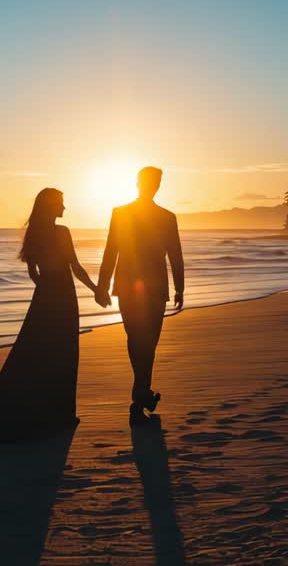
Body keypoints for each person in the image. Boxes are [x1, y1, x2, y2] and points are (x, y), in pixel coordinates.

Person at [0, 188, 100, 442]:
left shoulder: (34, 233)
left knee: (34, 352)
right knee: (65, 351)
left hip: (45, 294)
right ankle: (62, 414)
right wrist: (96, 290)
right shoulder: (62, 232)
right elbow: (75, 267)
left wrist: (46, 294)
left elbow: (34, 273)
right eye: (61, 203)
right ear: (51, 206)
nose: (64, 208)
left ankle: (44, 410)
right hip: (63, 293)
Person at [95, 167, 184, 425]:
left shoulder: (141, 215)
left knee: (141, 341)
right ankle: (141, 394)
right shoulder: (161, 216)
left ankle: (142, 393)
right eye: (153, 182)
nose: (154, 186)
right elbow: (111, 250)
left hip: (142, 287)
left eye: (156, 182)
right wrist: (102, 285)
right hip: (143, 287)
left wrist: (180, 286)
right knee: (141, 341)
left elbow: (174, 255)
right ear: (145, 184)